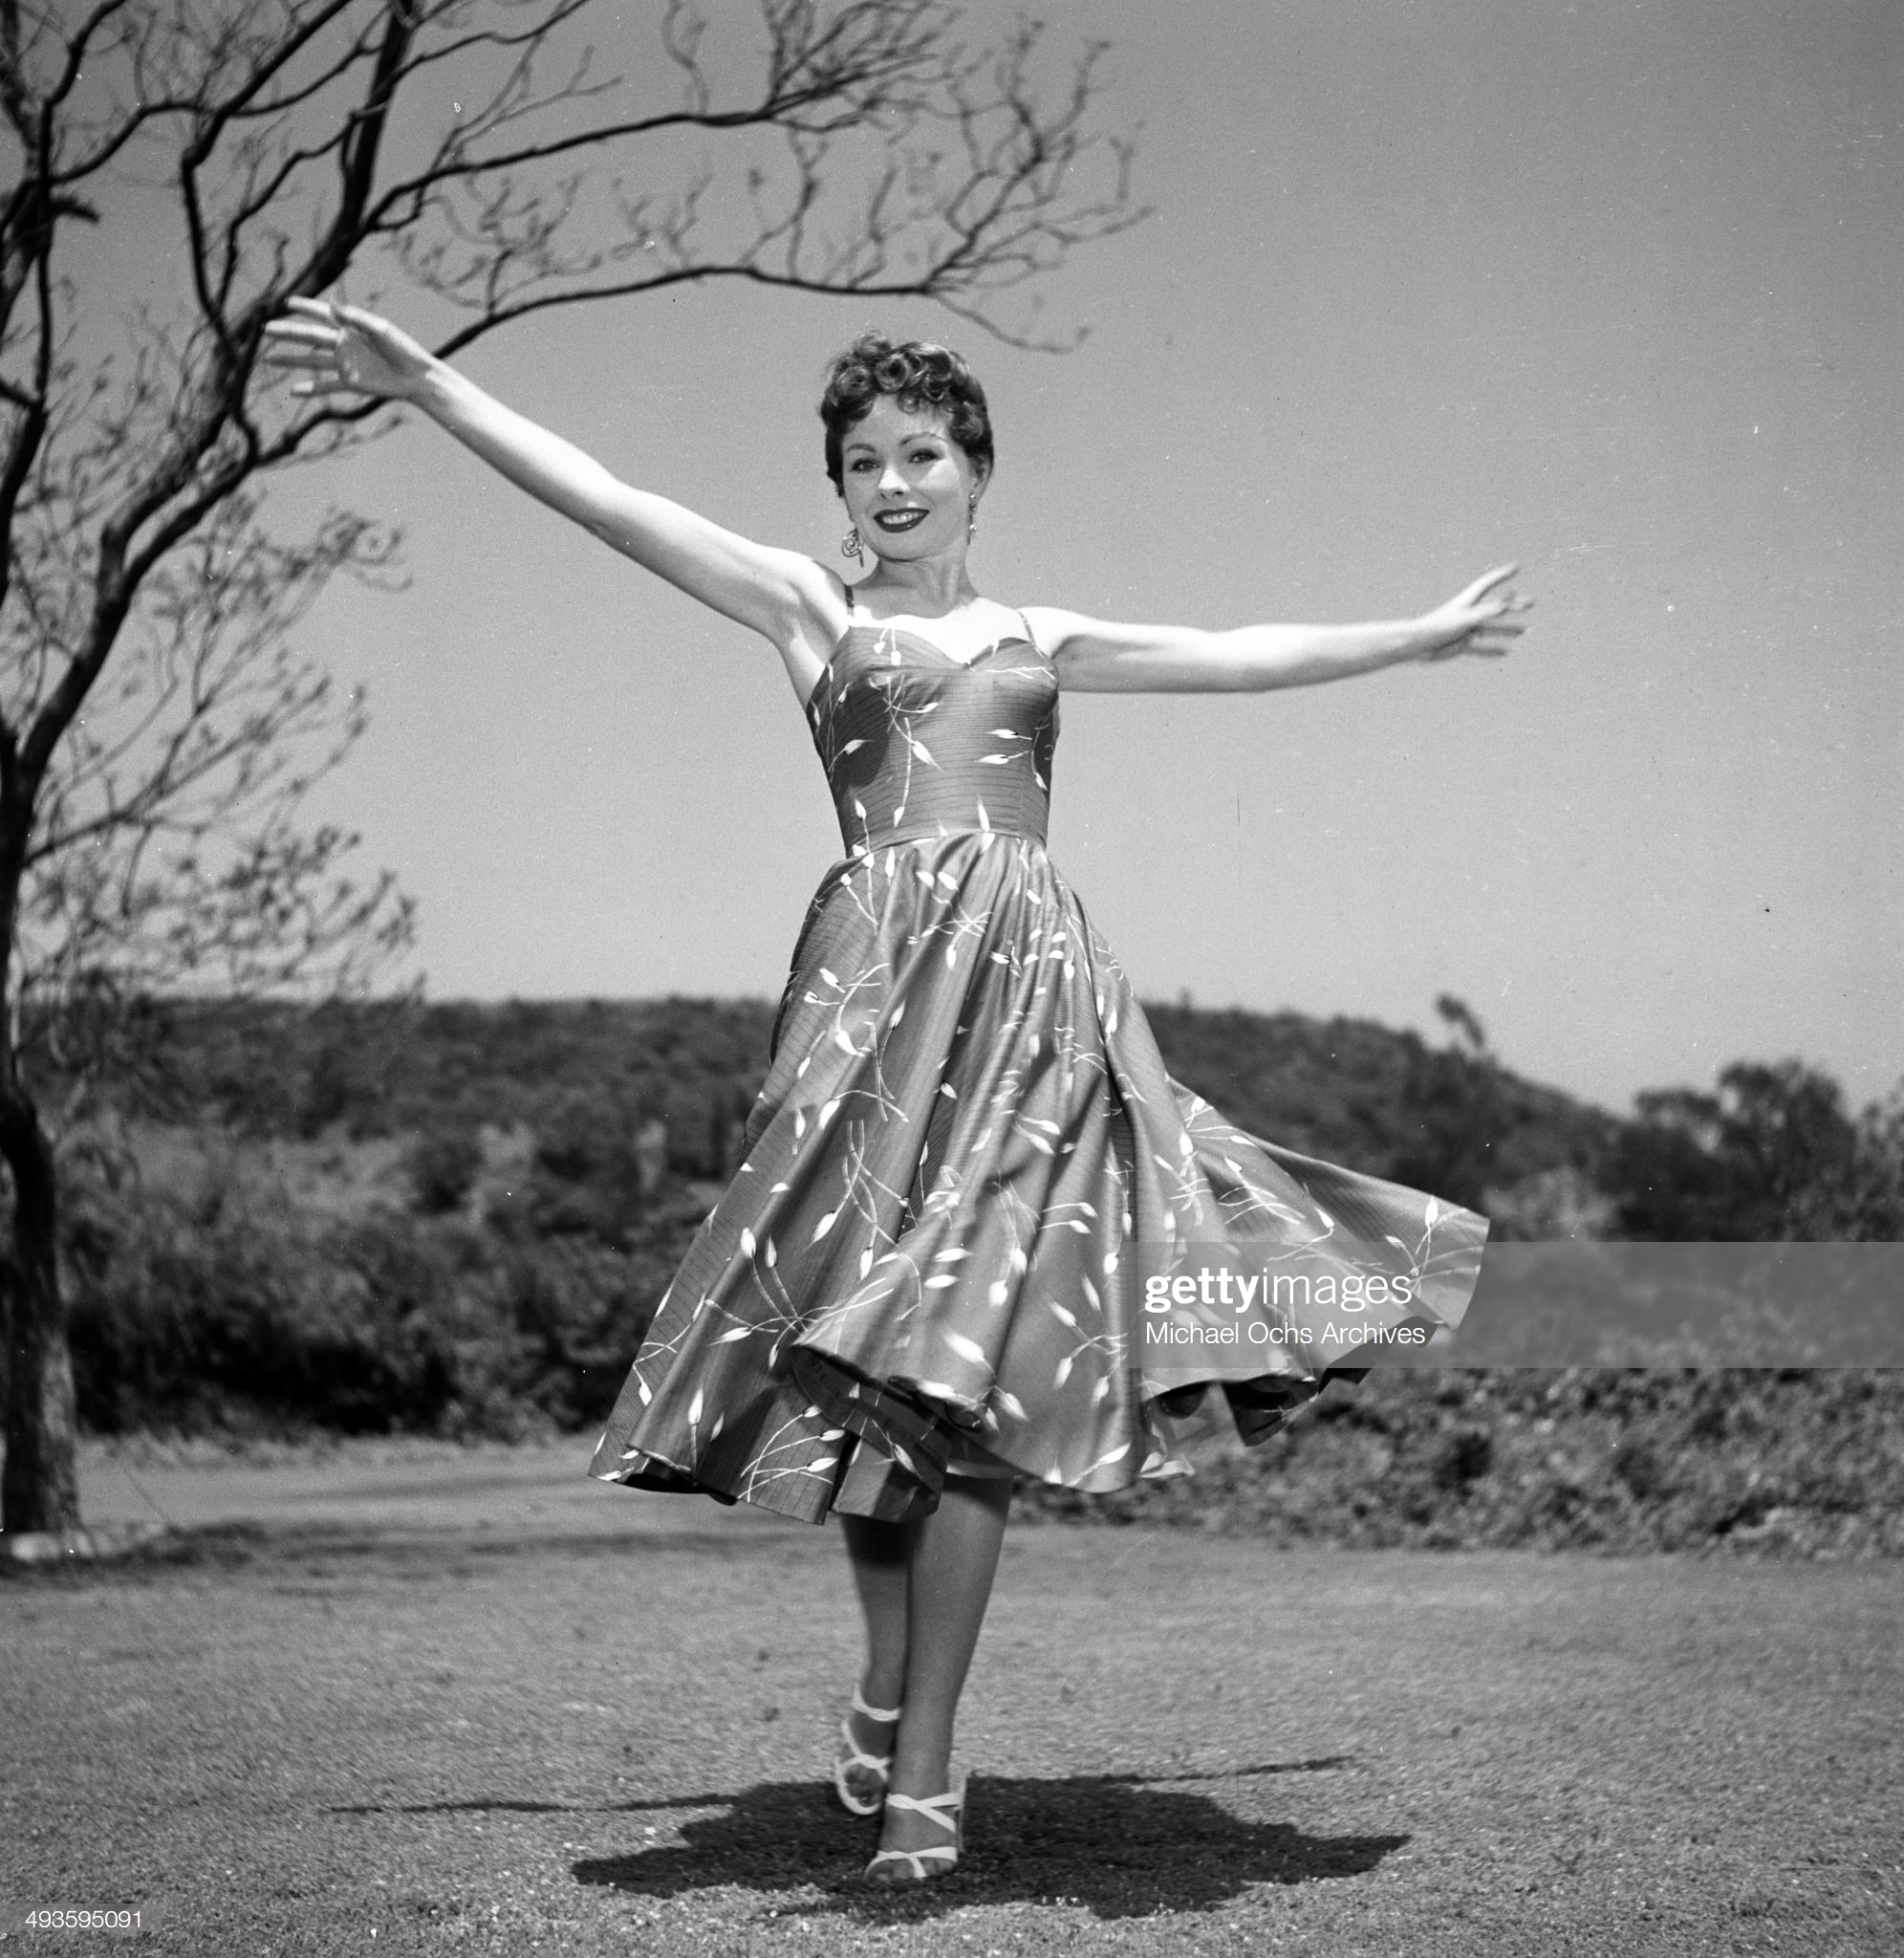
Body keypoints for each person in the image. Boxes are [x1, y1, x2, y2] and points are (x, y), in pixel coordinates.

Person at [265, 300, 1527, 1883]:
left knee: (971, 1377)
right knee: (875, 1368)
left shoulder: (1041, 637)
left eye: (921, 454)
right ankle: (887, 1681)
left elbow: (1235, 655)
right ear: (840, 488)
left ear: (978, 470)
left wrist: (1413, 636)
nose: (892, 484)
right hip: (876, 1018)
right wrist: (430, 386)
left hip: (1034, 1014)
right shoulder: (808, 609)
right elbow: (607, 501)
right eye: (863, 462)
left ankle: (923, 1771)